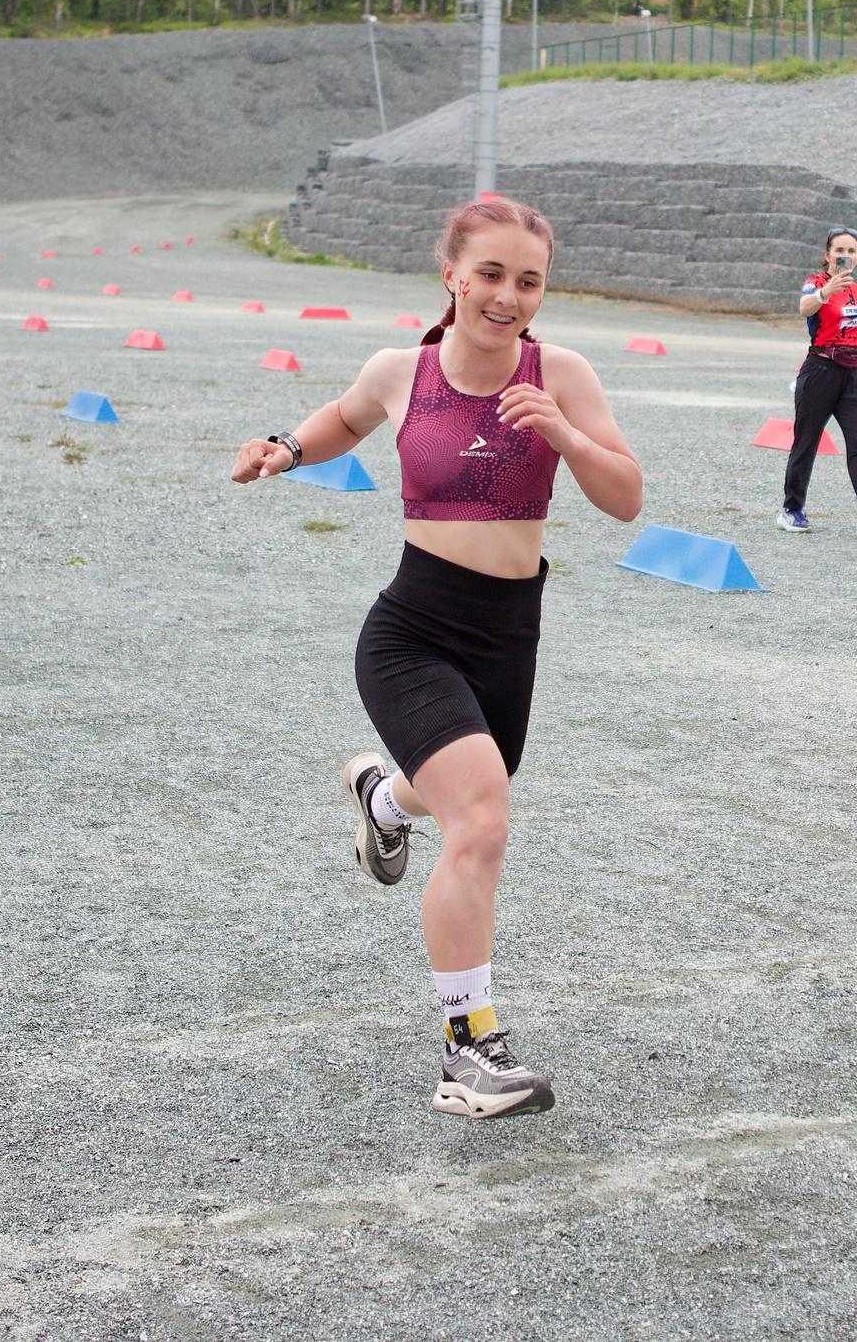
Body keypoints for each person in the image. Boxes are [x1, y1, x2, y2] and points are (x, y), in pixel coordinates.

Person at [229, 194, 642, 1120]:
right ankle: (469, 1047)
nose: (507, 295)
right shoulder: (401, 371)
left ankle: (383, 797)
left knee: (455, 792)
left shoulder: (561, 372)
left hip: (509, 637)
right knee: (483, 821)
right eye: (490, 274)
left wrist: (567, 435)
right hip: (412, 631)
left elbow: (626, 499)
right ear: (451, 275)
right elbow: (343, 417)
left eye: (528, 280)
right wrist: (285, 449)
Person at [778, 228, 857, 538]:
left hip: (854, 372)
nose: (846, 255)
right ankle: (791, 510)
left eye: (852, 250)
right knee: (806, 443)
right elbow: (805, 308)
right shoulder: (816, 283)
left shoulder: (855, 288)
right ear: (828, 254)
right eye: (839, 249)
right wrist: (825, 291)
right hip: (820, 370)